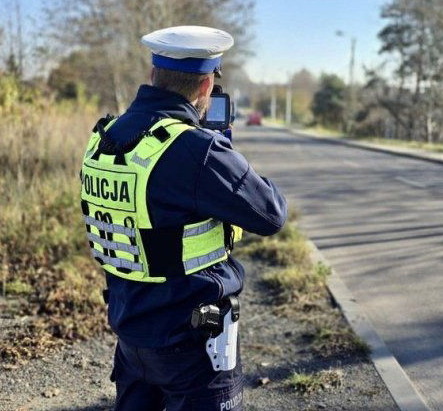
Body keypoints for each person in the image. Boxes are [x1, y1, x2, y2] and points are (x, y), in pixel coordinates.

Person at [78, 25, 287, 411]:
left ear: (153, 76)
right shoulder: (197, 149)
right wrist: (222, 151)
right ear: (206, 87)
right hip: (193, 347)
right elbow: (270, 213)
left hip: (131, 334)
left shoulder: (104, 138)